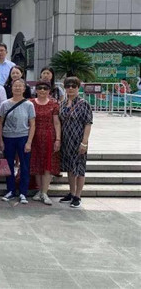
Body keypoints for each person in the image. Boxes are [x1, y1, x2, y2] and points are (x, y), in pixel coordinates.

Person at [0, 79, 36, 204]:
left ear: (24, 89)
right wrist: (0, 141)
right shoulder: (4, 104)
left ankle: (23, 192)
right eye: (15, 86)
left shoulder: (29, 104)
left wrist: (29, 142)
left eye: (20, 86)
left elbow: (32, 124)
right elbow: (0, 123)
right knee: (8, 165)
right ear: (12, 88)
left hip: (23, 137)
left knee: (24, 166)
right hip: (8, 137)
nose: (18, 88)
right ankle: (10, 190)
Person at [59, 76, 93, 208]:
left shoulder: (83, 104)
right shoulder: (62, 103)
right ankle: (71, 193)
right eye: (68, 86)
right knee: (69, 168)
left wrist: (84, 142)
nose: (71, 88)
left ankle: (78, 196)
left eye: (74, 86)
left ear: (78, 87)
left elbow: (88, 124)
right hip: (66, 140)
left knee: (79, 168)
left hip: (79, 140)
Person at [30, 81, 61, 205]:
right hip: (34, 137)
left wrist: (58, 139)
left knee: (48, 164)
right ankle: (39, 190)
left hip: (49, 136)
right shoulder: (31, 103)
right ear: (36, 90)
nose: (42, 90)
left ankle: (45, 192)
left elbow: (57, 123)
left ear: (49, 91)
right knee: (37, 164)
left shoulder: (54, 104)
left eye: (45, 88)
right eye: (40, 88)